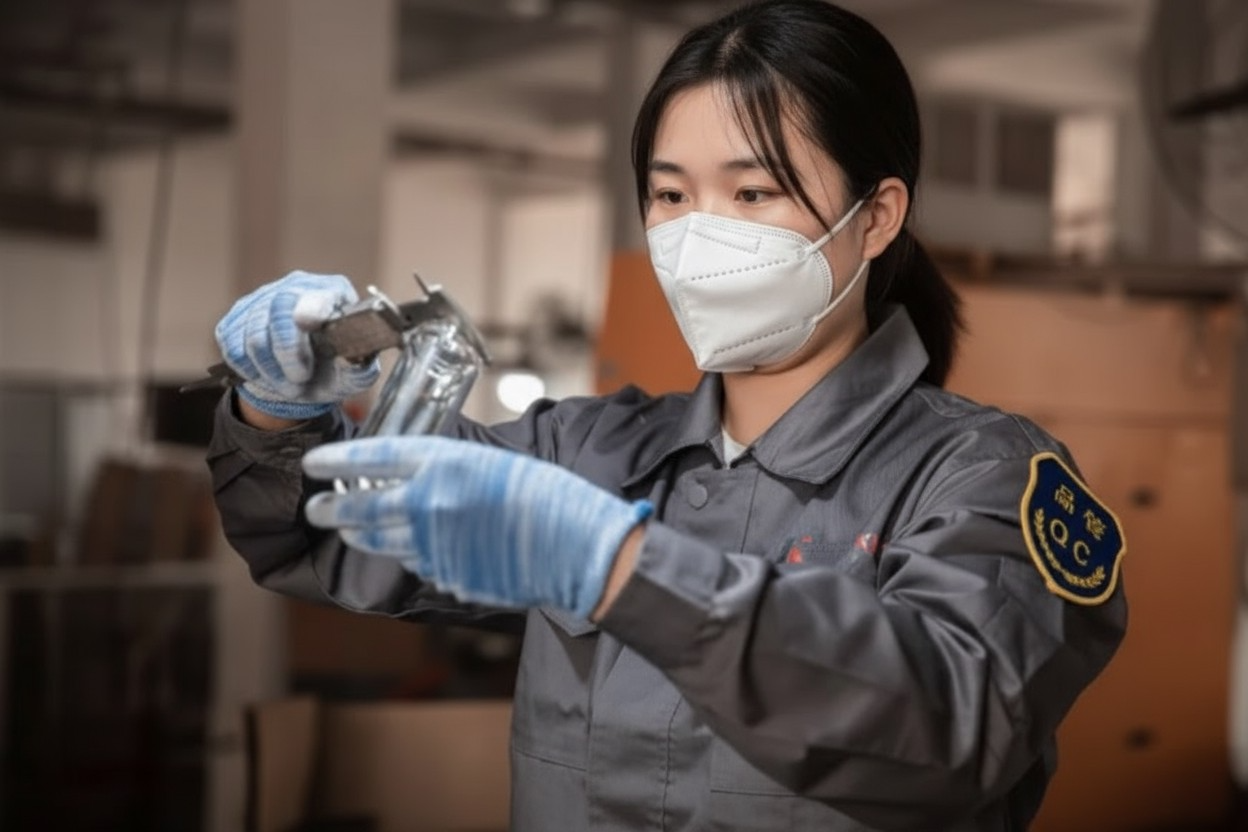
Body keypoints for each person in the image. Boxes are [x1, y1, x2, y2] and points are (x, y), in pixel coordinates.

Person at [207, 1, 1127, 829]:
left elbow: (953, 728)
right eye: (671, 195)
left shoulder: (983, 477)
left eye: (753, 192)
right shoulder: (584, 451)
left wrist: (619, 567)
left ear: (877, 216)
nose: (697, 236)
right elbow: (325, 541)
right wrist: (276, 409)